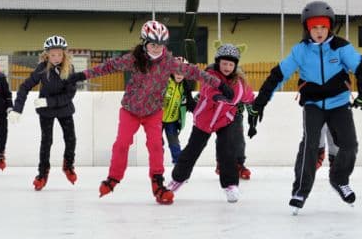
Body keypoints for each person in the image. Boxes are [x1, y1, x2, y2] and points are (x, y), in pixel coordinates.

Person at [65, 20, 233, 204]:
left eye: (160, 44)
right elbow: (108, 67)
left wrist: (220, 84)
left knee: (155, 146)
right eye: (153, 44)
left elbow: (195, 72)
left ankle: (158, 184)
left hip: (153, 112)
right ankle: (113, 178)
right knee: (122, 143)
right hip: (130, 110)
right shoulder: (133, 59)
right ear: (145, 43)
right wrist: (81, 76)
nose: (156, 48)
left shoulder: (169, 63)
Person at [249, 1, 362, 214]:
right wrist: (259, 104)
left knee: (350, 144)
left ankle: (339, 179)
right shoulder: (300, 51)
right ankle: (301, 191)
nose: (319, 32)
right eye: (314, 27)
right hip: (313, 105)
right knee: (310, 145)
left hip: (339, 104)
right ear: (308, 28)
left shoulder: (341, 47)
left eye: (323, 27)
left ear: (329, 27)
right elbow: (277, 75)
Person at [167, 44, 254, 203]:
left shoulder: (239, 82)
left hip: (225, 120)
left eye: (230, 64)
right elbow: (207, 88)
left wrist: (256, 104)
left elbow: (248, 96)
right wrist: (217, 96)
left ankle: (230, 186)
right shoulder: (210, 74)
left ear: (235, 66)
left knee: (227, 150)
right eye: (224, 63)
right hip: (204, 120)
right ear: (218, 62)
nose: (227, 67)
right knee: (192, 150)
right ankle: (178, 179)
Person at [12, 35, 78, 190]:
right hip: (46, 112)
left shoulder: (70, 69)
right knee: (46, 141)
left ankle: (68, 165)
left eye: (59, 54)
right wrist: (17, 109)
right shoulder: (41, 69)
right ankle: (42, 173)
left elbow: (69, 95)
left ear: (64, 54)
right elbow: (24, 87)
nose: (56, 58)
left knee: (71, 139)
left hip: (63, 108)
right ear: (47, 54)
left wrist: (49, 101)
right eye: (52, 55)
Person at [162, 56, 196, 164]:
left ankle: (179, 166)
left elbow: (190, 103)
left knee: (174, 144)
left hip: (172, 121)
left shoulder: (185, 87)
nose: (179, 74)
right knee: (156, 144)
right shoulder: (164, 82)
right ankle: (157, 167)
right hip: (156, 120)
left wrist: (199, 110)